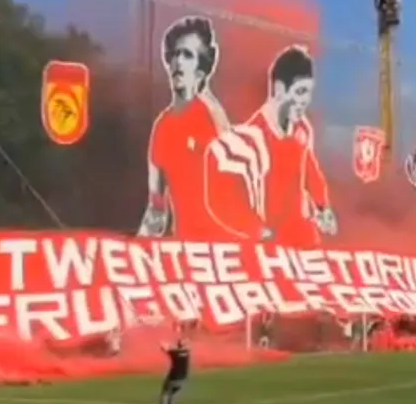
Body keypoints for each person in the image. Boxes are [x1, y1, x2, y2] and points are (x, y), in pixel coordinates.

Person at [204, 46, 336, 245]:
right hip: (271, 248)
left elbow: (310, 170)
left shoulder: (301, 129)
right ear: (279, 89)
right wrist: (257, 230)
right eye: (300, 92)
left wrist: (323, 208)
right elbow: (224, 200)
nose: (305, 101)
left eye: (308, 93)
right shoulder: (252, 139)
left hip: (302, 241)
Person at [139, 16, 231, 238]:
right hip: (185, 255)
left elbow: (235, 195)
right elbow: (156, 210)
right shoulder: (162, 127)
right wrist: (134, 251)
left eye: (188, 55)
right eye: (174, 54)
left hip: (219, 252)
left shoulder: (213, 117)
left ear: (202, 68)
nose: (178, 62)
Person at [154, 337, 191, 404]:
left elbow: (166, 349)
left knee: (165, 394)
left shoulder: (174, 353)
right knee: (173, 395)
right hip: (183, 378)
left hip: (173, 377)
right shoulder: (187, 352)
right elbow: (175, 349)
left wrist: (161, 344)